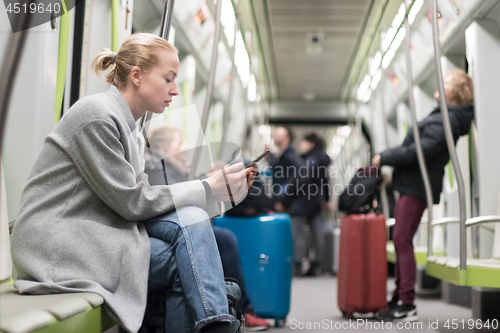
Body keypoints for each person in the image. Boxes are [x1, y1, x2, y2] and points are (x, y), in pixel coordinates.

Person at [10, 33, 256, 333]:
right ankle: (215, 323)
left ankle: (214, 323)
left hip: (97, 233)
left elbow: (142, 202)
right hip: (57, 248)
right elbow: (133, 203)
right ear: (137, 75)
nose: (175, 90)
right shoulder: (96, 116)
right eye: (168, 79)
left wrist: (224, 192)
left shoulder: (132, 130)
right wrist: (207, 187)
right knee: (185, 259)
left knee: (192, 218)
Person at [144, 125, 270, 331]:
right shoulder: (159, 169)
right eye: (179, 144)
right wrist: (210, 186)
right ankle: (227, 313)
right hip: (166, 228)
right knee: (222, 240)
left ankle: (226, 311)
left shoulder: (173, 171)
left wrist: (216, 189)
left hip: (177, 227)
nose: (185, 149)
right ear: (164, 149)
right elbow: (173, 207)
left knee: (219, 238)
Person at [372, 69, 474, 322]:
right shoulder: (443, 116)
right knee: (400, 240)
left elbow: (422, 149)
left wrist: (385, 157)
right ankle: (399, 296)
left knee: (402, 240)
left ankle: (406, 302)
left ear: (455, 92)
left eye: (447, 80)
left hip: (418, 186)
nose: (441, 81)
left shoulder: (448, 119)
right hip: (413, 183)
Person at [287, 133, 331, 276]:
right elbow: (325, 183)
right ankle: (316, 265)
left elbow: (302, 180)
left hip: (301, 202)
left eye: (304, 142)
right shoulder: (322, 160)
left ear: (311, 144)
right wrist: (326, 199)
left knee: (298, 235)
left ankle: (298, 266)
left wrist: (288, 195)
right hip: (315, 202)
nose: (301, 145)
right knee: (317, 234)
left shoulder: (311, 160)